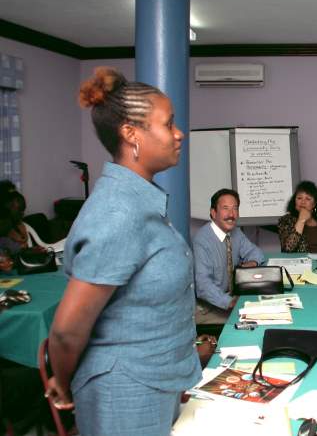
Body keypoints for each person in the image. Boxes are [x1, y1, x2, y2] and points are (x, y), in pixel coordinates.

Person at [46, 67, 201, 436]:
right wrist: (62, 383)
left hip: (155, 382)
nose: (179, 134)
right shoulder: (118, 213)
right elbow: (67, 331)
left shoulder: (138, 201)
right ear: (131, 133)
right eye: (169, 124)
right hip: (123, 394)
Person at [193, 188, 265, 324]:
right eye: (225, 208)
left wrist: (253, 263)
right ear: (213, 212)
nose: (231, 214)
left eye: (235, 208)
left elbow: (257, 253)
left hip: (232, 298)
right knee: (253, 322)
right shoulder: (202, 240)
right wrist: (230, 302)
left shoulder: (235, 233)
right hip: (209, 308)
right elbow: (203, 285)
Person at [277, 180, 317, 253]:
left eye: (308, 199)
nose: (303, 202)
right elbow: (287, 249)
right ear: (294, 201)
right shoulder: (285, 220)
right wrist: (301, 220)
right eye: (299, 198)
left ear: (314, 204)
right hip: (300, 263)